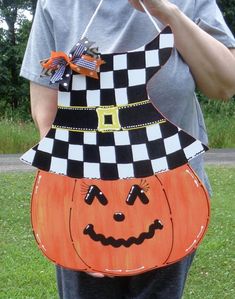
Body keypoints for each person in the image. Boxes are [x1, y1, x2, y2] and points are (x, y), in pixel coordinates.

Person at [20, 0, 235, 298]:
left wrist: (166, 11)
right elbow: (47, 114)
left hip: (171, 198)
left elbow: (225, 86)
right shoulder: (57, 5)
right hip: (84, 197)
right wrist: (68, 206)